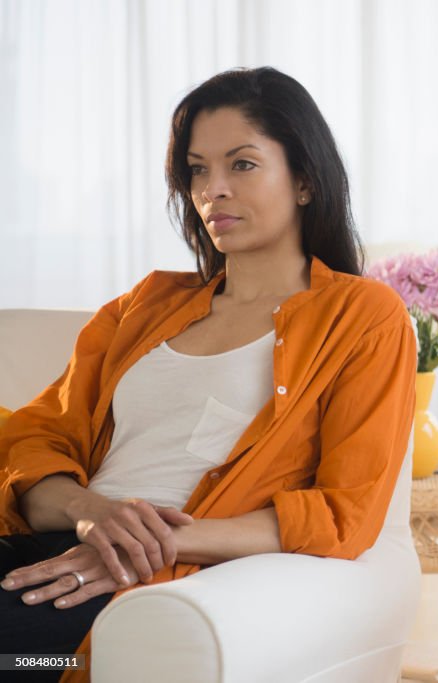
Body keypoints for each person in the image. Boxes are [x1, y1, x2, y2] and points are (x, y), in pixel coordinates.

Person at [0, 67, 416, 682]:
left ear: (304, 180)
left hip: (142, 588)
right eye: (198, 169)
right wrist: (93, 513)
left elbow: (341, 513)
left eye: (241, 165)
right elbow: (35, 440)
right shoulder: (144, 305)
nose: (212, 189)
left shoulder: (361, 316)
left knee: (17, 660)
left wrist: (147, 544)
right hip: (57, 544)